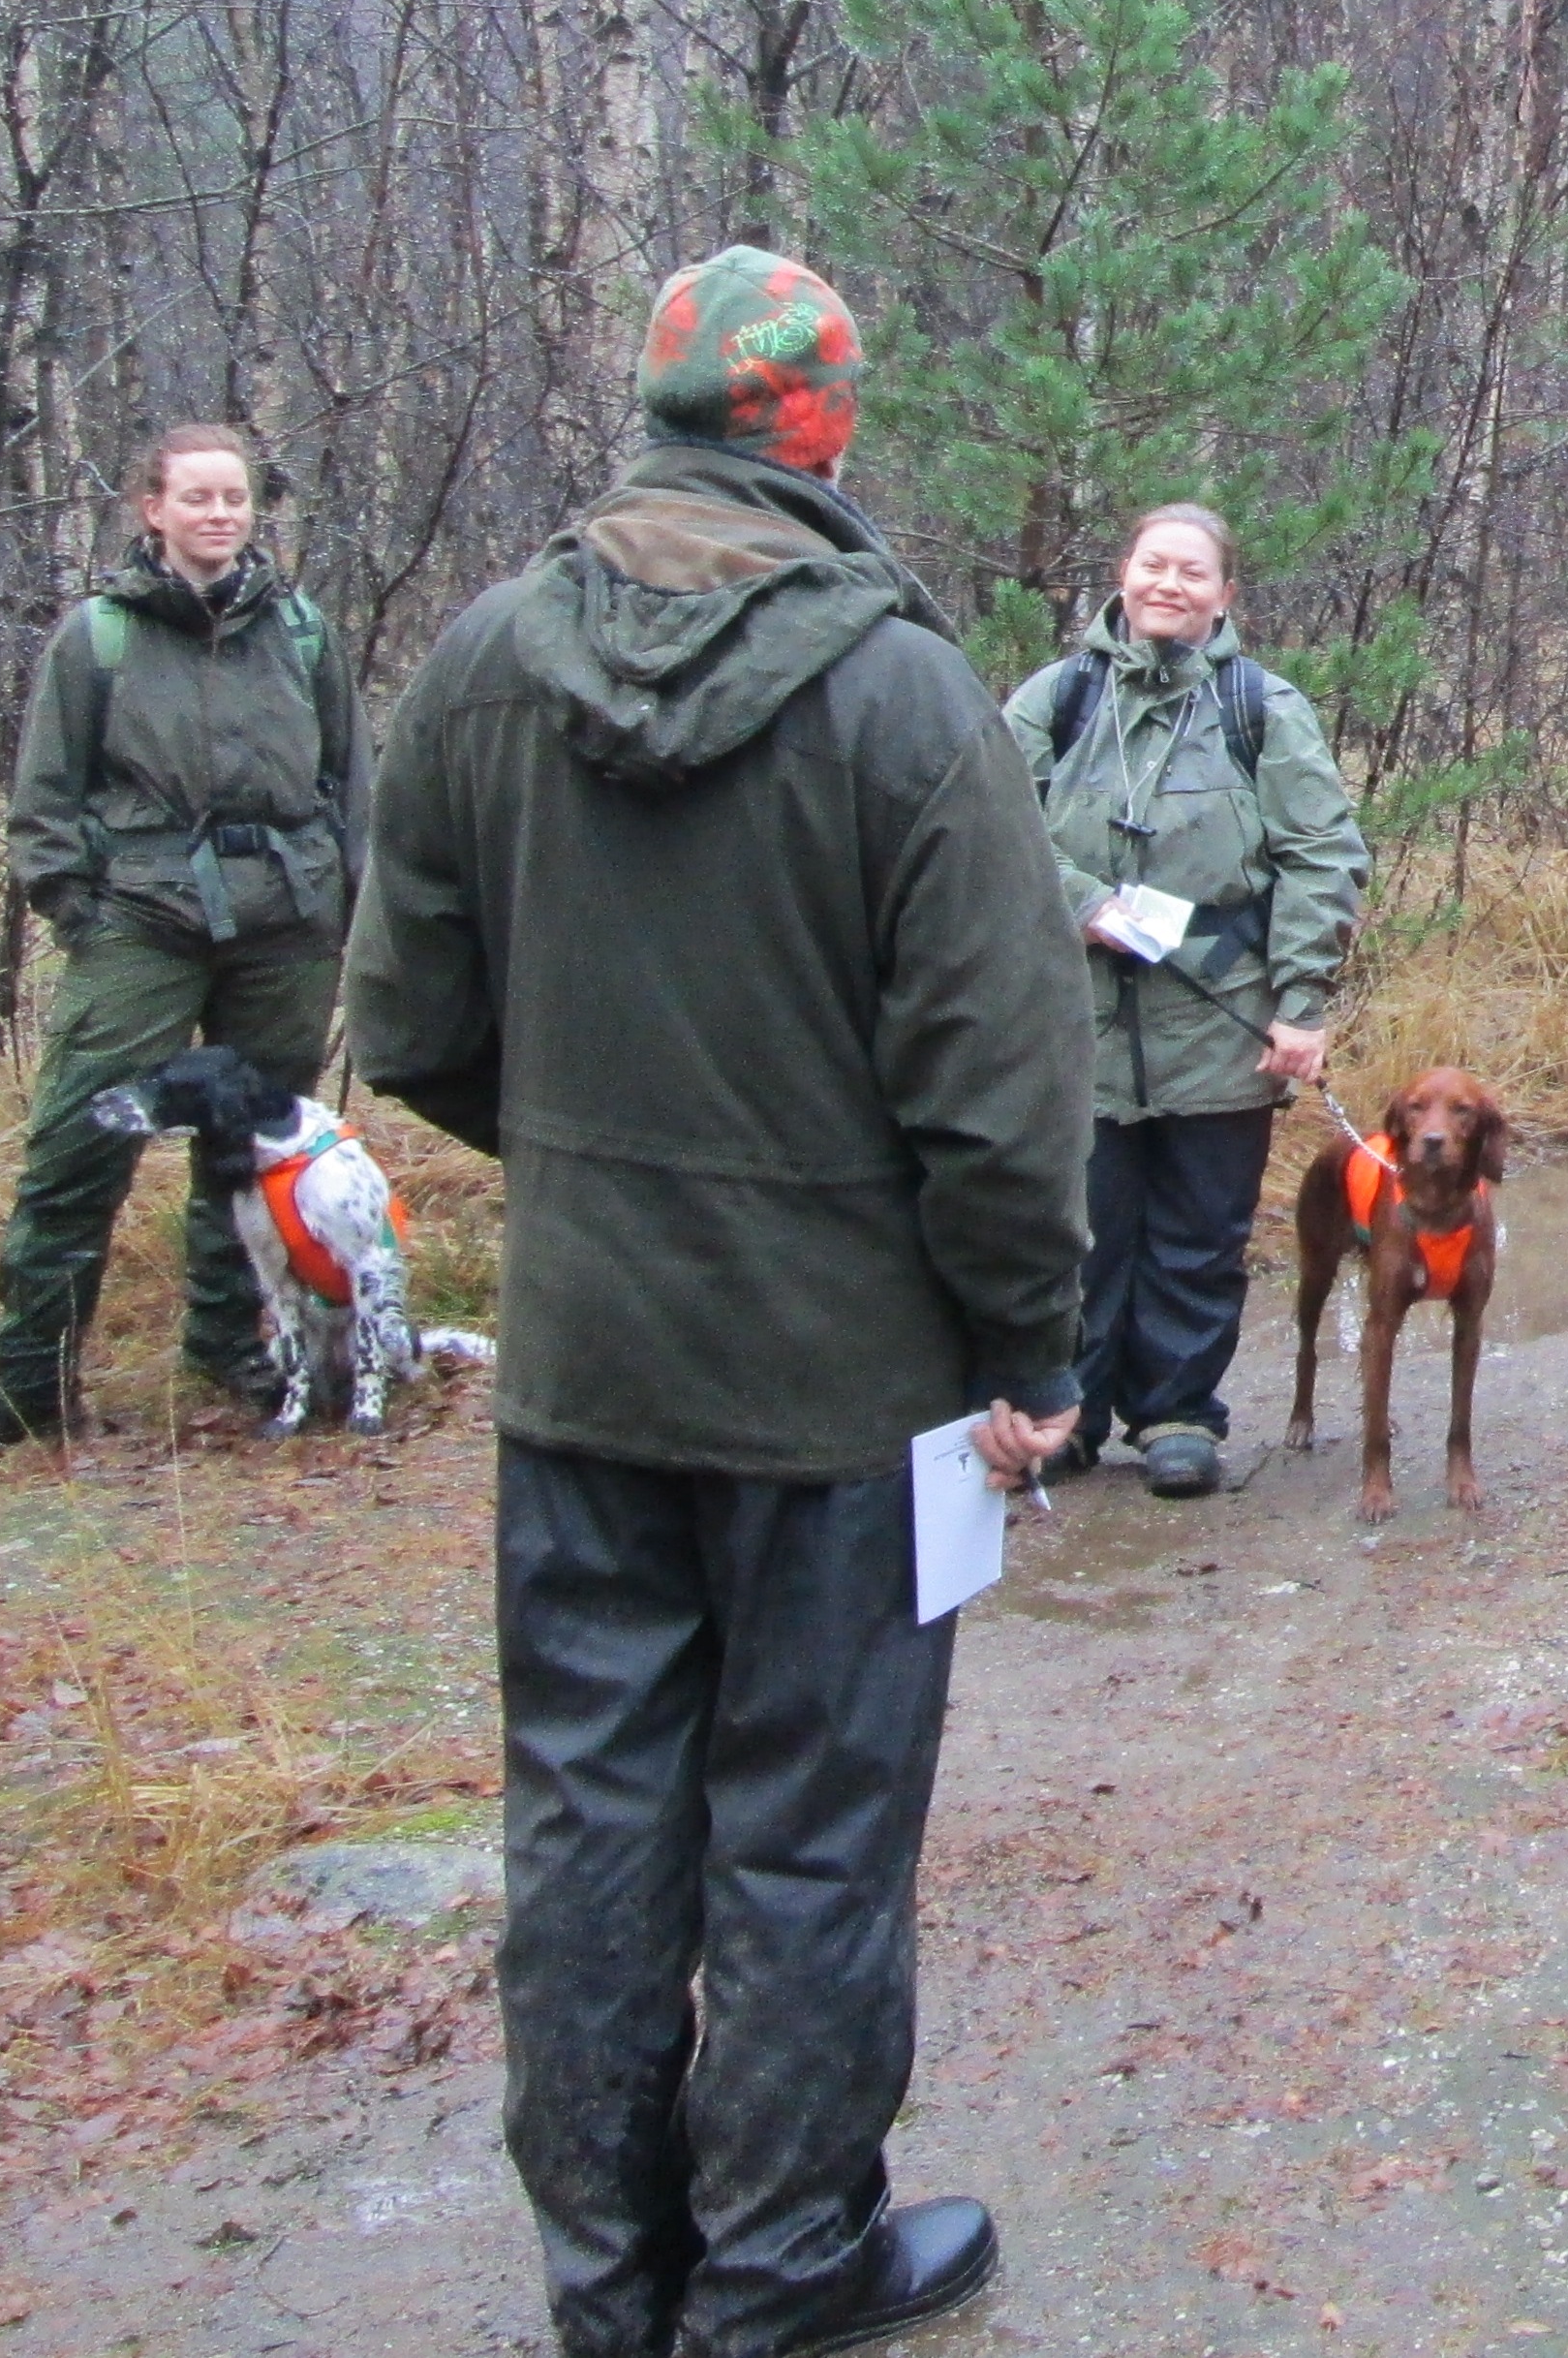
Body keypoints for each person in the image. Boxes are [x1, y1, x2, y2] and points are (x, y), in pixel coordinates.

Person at [347, 245, 1091, 2356]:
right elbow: (1001, 1097)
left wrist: (601, 1165)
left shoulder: (484, 661)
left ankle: (613, 2281)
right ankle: (772, 2279)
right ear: (824, 428)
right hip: (838, 1407)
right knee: (810, 1838)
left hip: (585, 1378)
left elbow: (410, 1022)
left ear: (664, 409)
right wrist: (1026, 1347)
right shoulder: (903, 693)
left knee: (587, 1821)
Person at [0, 426, 361, 1448]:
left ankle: (235, 1348)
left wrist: (341, 899)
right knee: (81, 1142)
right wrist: (81, 909)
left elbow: (350, 779)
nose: (219, 515)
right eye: (196, 497)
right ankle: (28, 1382)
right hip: (141, 924)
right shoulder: (99, 636)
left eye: (235, 499)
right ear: (152, 509)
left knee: (252, 1155)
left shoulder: (298, 630)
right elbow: (45, 794)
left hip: (286, 923)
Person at [1004, 505, 1370, 1497]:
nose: (1170, 584)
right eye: (1154, 565)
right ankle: (1068, 1415)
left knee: (1200, 1235)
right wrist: (1082, 903)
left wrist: (1301, 1003)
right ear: (1123, 574)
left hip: (1224, 1019)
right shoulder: (1056, 700)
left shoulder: (1262, 707)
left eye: (1193, 572)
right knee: (1078, 1232)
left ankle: (1177, 1415)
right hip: (1071, 1023)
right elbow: (984, 827)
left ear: (1225, 595)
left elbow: (1321, 857)